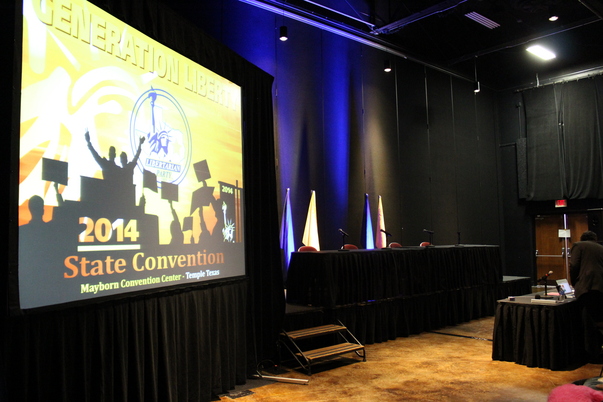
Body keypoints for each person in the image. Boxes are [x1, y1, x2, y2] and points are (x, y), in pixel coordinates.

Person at [570, 231, 603, 327]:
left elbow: (574, 265)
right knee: (598, 316)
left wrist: (574, 283)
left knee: (586, 317)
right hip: (600, 286)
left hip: (586, 286)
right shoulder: (601, 248)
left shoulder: (578, 245)